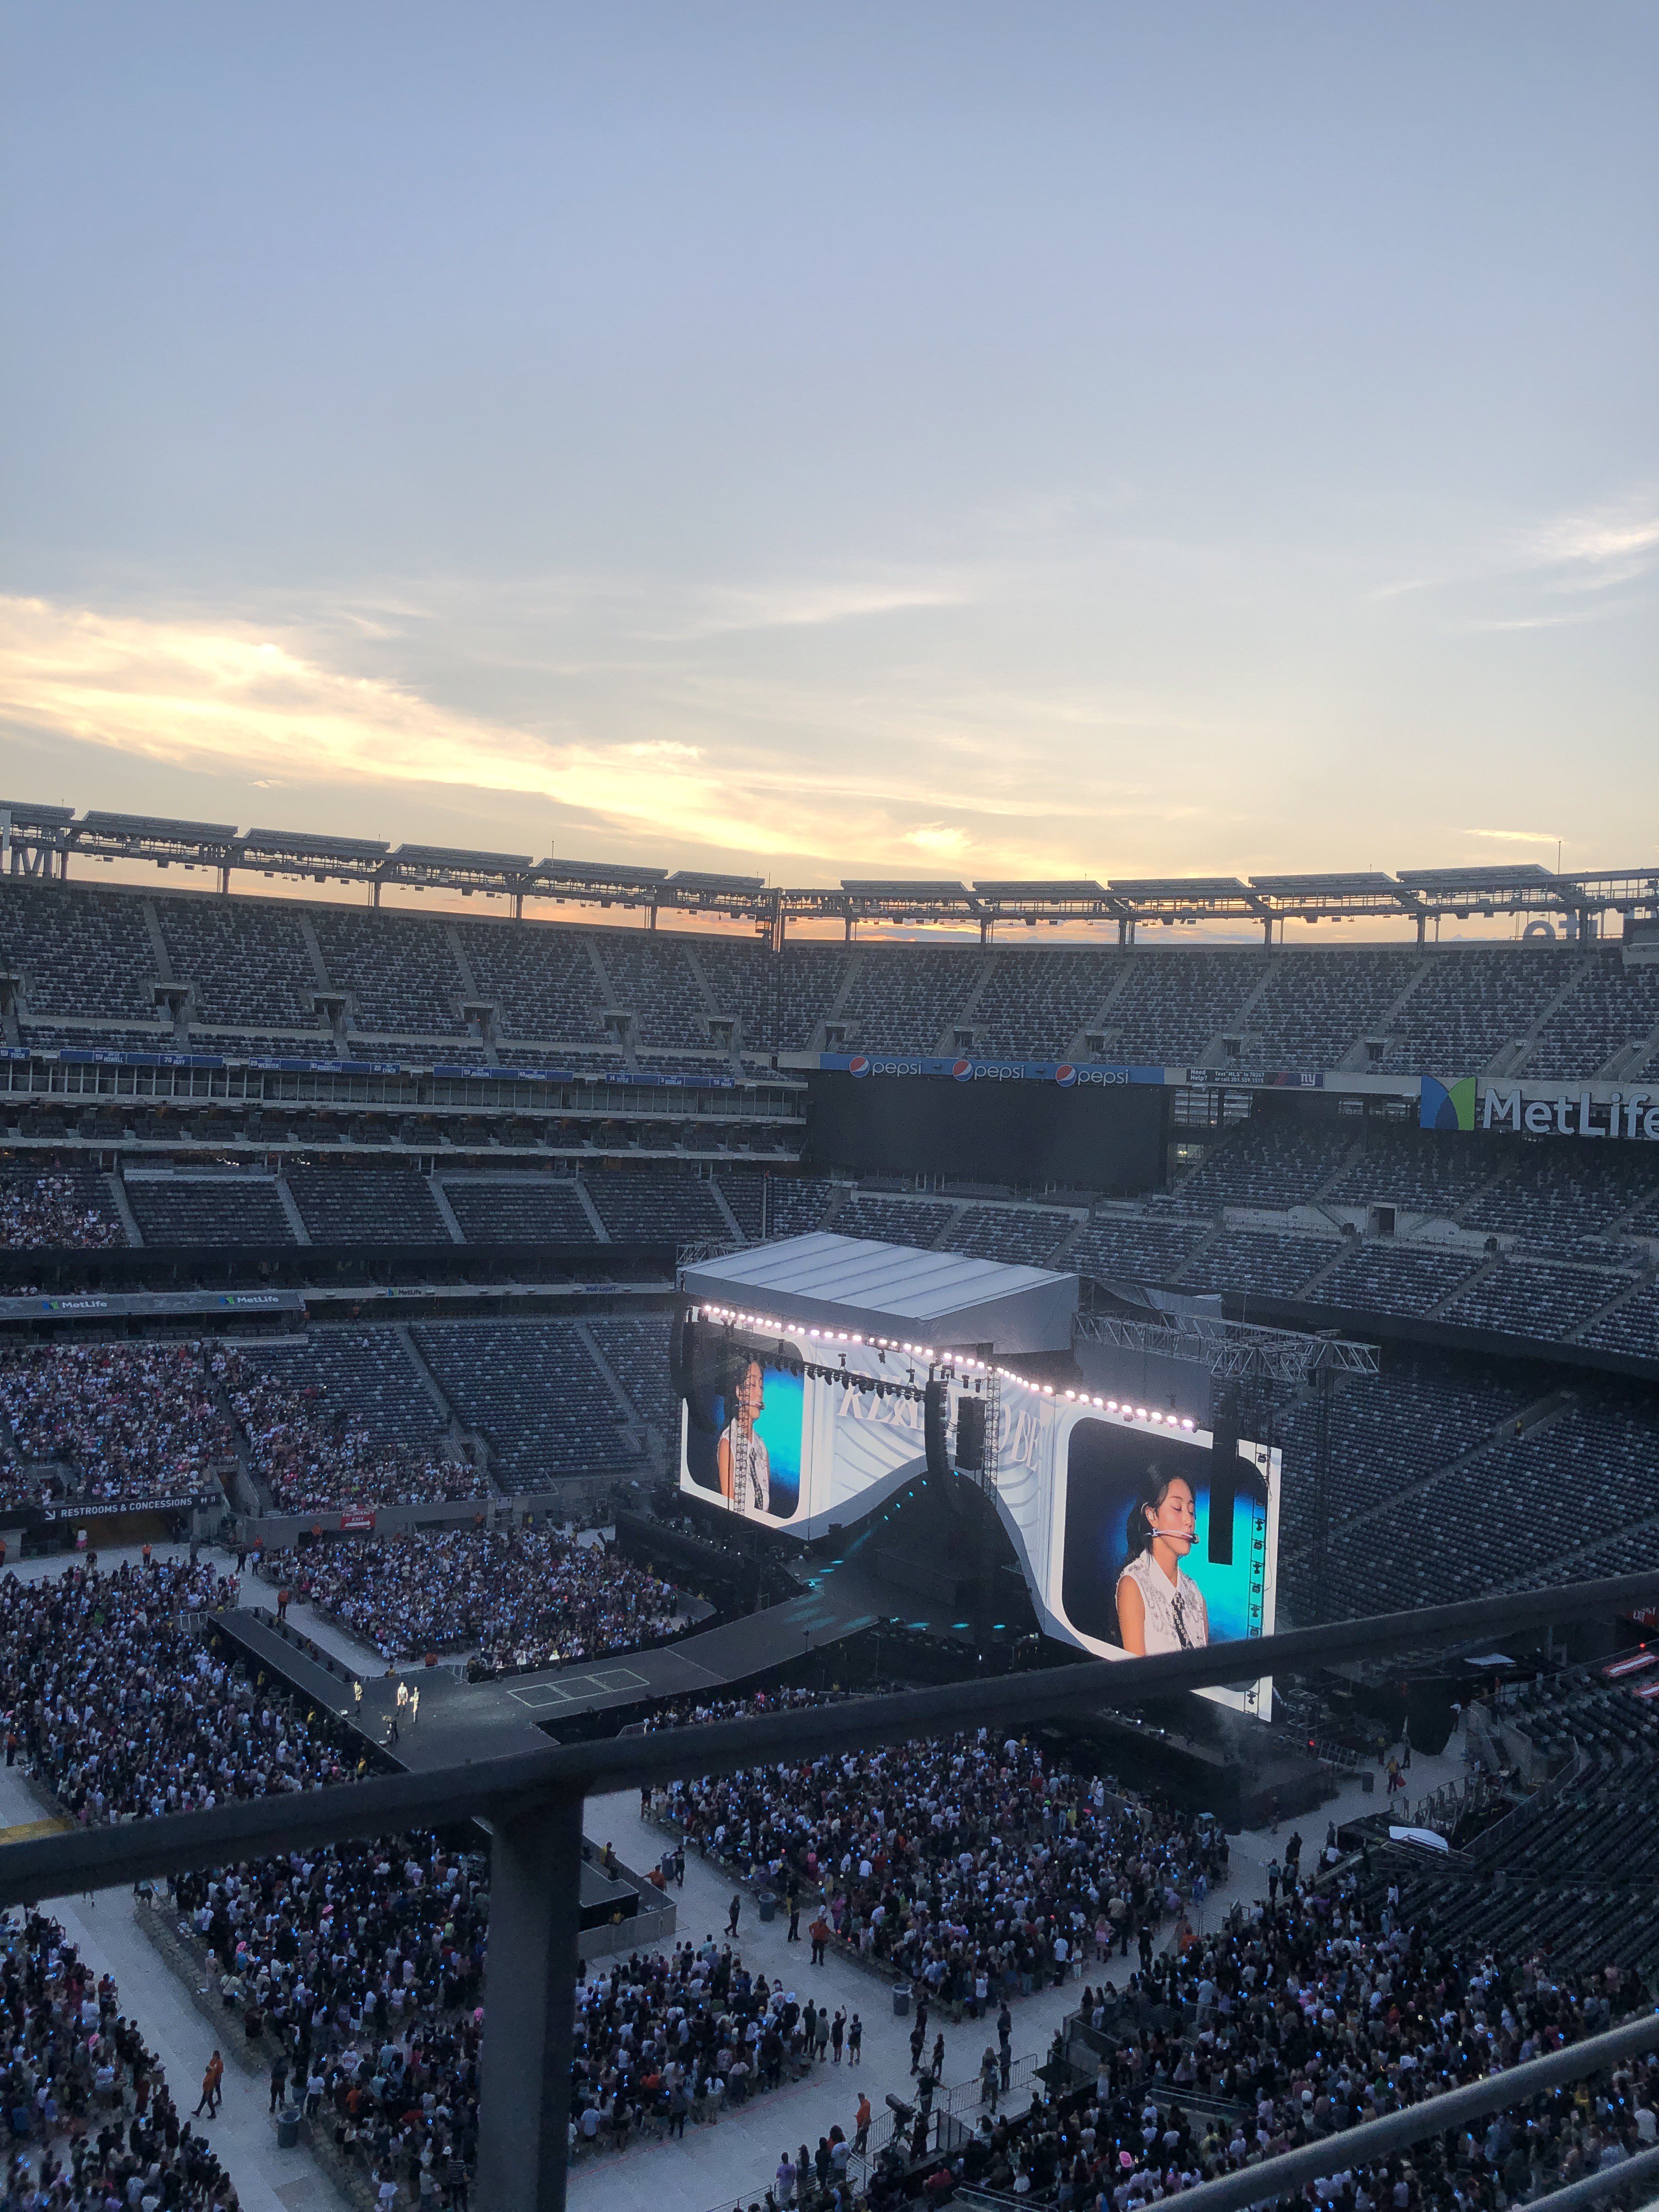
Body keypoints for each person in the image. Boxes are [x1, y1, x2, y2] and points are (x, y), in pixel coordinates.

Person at [1115, 1469, 1209, 1655]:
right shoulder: (1133, 1586)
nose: (1189, 1521)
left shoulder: (1196, 1596)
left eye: (1191, 1511)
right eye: (1177, 1509)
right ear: (1152, 1516)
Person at [718, 1358, 771, 1516]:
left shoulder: (762, 1447)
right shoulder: (728, 1443)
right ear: (739, 1392)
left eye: (761, 1386)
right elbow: (729, 1510)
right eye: (753, 1385)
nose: (759, 1393)